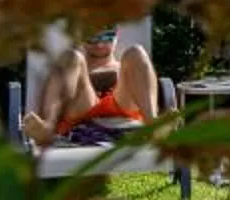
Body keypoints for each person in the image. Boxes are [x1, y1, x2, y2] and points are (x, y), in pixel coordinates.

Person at [22, 26, 159, 149]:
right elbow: (57, 88)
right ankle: (47, 128)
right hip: (82, 111)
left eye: (106, 37)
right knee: (72, 57)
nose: (99, 44)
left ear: (116, 34)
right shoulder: (73, 66)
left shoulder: (125, 66)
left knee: (136, 52)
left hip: (122, 107)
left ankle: (154, 125)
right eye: (92, 39)